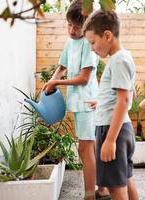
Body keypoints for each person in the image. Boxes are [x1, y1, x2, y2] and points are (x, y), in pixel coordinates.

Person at [43, 1, 109, 199]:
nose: (72, 30)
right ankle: (103, 189)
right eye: (69, 24)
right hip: (79, 104)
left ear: (87, 27)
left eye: (77, 26)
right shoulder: (69, 42)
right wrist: (53, 80)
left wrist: (57, 82)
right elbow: (61, 66)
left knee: (84, 148)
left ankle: (90, 195)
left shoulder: (89, 45)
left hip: (88, 103)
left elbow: (84, 78)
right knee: (92, 148)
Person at [83, 10, 139, 200]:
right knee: (126, 178)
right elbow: (125, 94)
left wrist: (110, 140)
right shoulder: (124, 57)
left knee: (116, 187)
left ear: (107, 35)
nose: (92, 48)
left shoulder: (118, 60)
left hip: (112, 130)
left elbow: (124, 99)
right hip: (121, 127)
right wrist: (101, 103)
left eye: (93, 42)